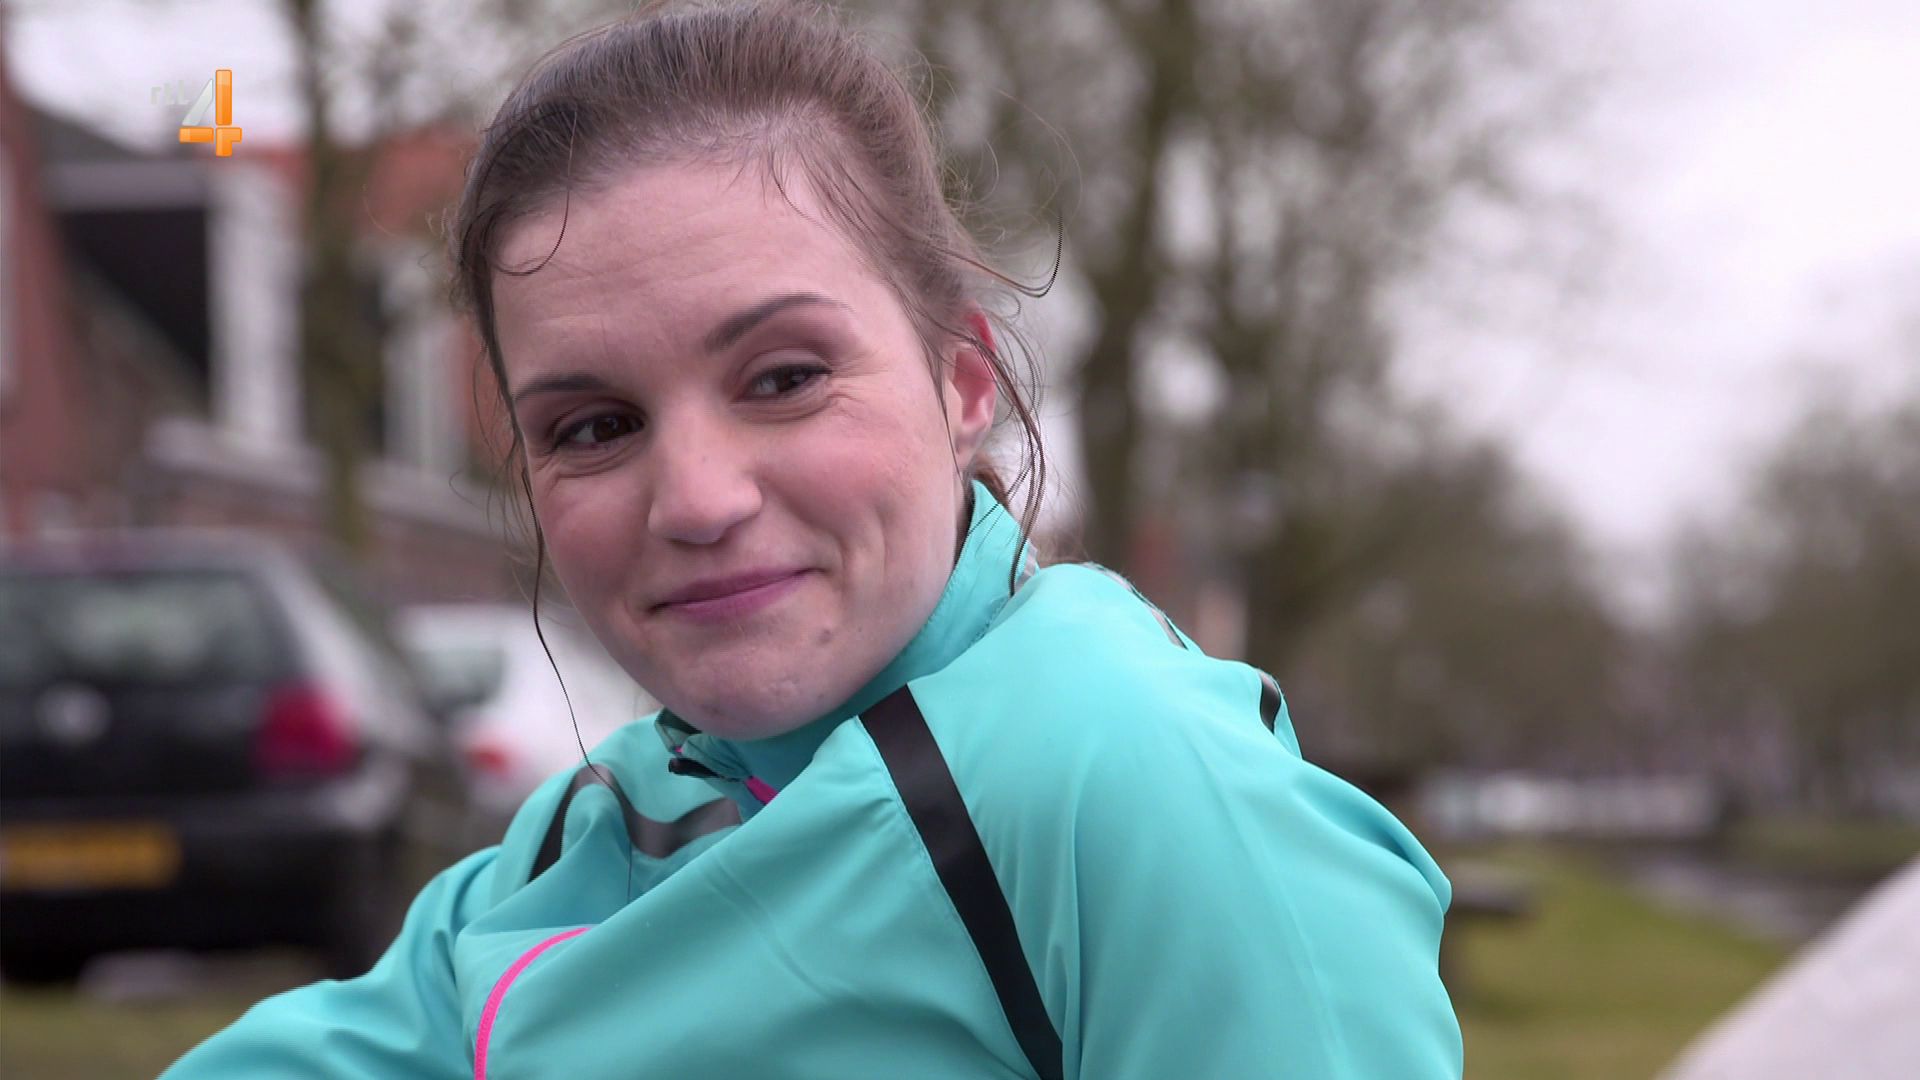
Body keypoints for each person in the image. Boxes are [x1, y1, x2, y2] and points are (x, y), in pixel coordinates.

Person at [165, 2, 1461, 1077]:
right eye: (594, 426)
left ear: (962, 382)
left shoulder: (1138, 788)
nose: (696, 500)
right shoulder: (573, 846)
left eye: (783, 378)